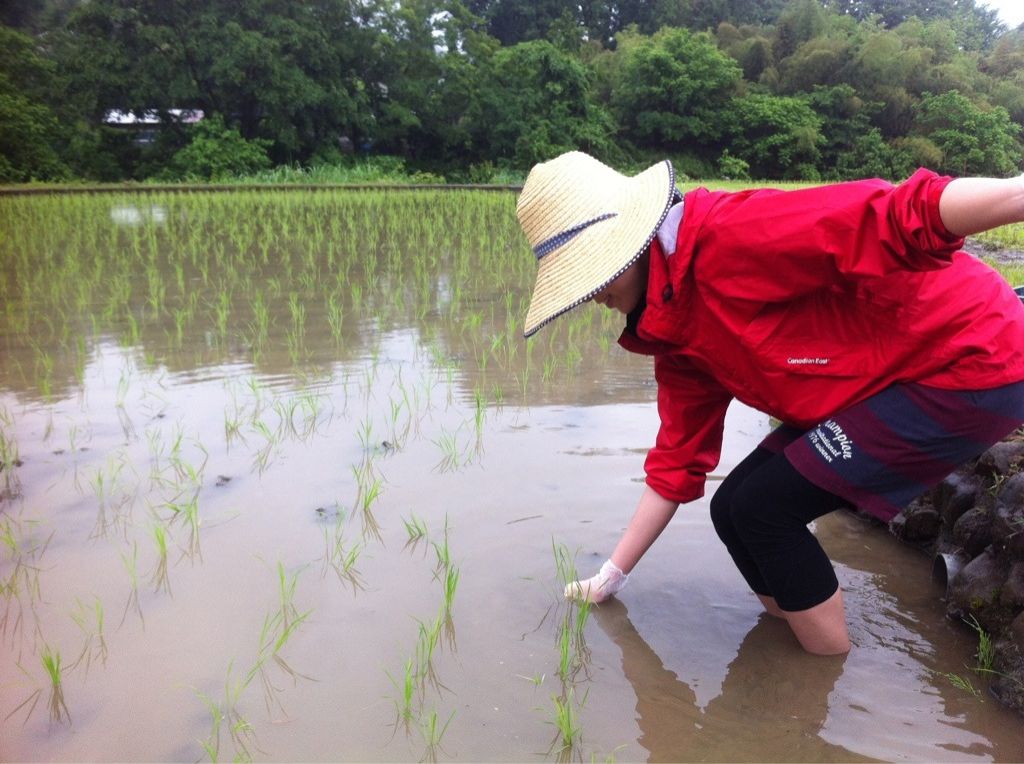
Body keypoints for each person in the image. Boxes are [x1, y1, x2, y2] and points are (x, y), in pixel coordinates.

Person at [516, 151, 1024, 655]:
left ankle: (821, 682)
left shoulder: (729, 235)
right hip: (891, 376)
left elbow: (899, 214)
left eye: (593, 273)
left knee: (764, 508)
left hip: (972, 360)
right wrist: (611, 576)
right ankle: (791, 645)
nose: (591, 295)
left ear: (630, 243)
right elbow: (676, 462)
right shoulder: (672, 324)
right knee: (731, 508)